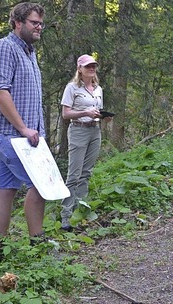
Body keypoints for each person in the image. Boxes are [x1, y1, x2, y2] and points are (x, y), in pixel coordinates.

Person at [0, 2, 46, 238]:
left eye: (41, 23)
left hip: (27, 136)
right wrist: (23, 128)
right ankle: (38, 245)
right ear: (18, 23)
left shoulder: (29, 52)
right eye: (34, 23)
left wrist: (36, 130)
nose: (39, 27)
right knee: (40, 185)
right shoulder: (4, 47)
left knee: (7, 188)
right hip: (7, 134)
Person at [59, 54, 108, 231]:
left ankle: (80, 212)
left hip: (95, 131)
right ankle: (65, 214)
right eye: (88, 66)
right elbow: (66, 114)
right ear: (80, 69)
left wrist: (103, 116)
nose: (91, 69)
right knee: (74, 174)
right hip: (78, 130)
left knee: (86, 173)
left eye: (94, 66)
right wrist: (84, 113)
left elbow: (97, 111)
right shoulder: (72, 88)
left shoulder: (98, 89)